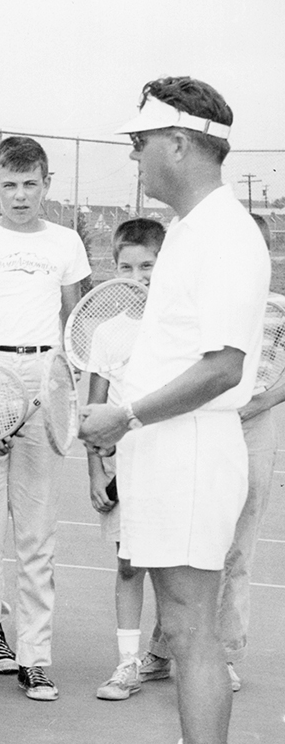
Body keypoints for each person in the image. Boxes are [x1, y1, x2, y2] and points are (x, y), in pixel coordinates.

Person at [80, 76, 268, 744]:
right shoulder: (192, 228)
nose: (136, 155)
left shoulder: (225, 234)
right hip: (166, 449)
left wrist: (122, 416)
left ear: (181, 144)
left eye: (142, 143)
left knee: (191, 632)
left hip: (191, 449)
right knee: (177, 624)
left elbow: (224, 367)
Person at [0, 136, 90, 702]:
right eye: (10, 185)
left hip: (45, 381)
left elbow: (78, 327)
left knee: (36, 538)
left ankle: (35, 659)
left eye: (32, 185)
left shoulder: (67, 242)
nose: (21, 195)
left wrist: (57, 390)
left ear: (47, 185)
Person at [139, 214, 283, 693]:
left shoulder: (280, 310)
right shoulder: (207, 302)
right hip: (204, 424)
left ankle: (224, 652)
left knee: (237, 547)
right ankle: (163, 649)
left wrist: (261, 402)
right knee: (184, 542)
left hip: (256, 426)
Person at [87, 218, 164, 701]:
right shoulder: (107, 334)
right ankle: (127, 664)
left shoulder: (181, 329)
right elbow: (94, 415)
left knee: (177, 570)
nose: (138, 276)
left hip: (172, 464)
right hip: (123, 472)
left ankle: (187, 653)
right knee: (130, 566)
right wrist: (96, 470)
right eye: (126, 267)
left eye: (148, 265)